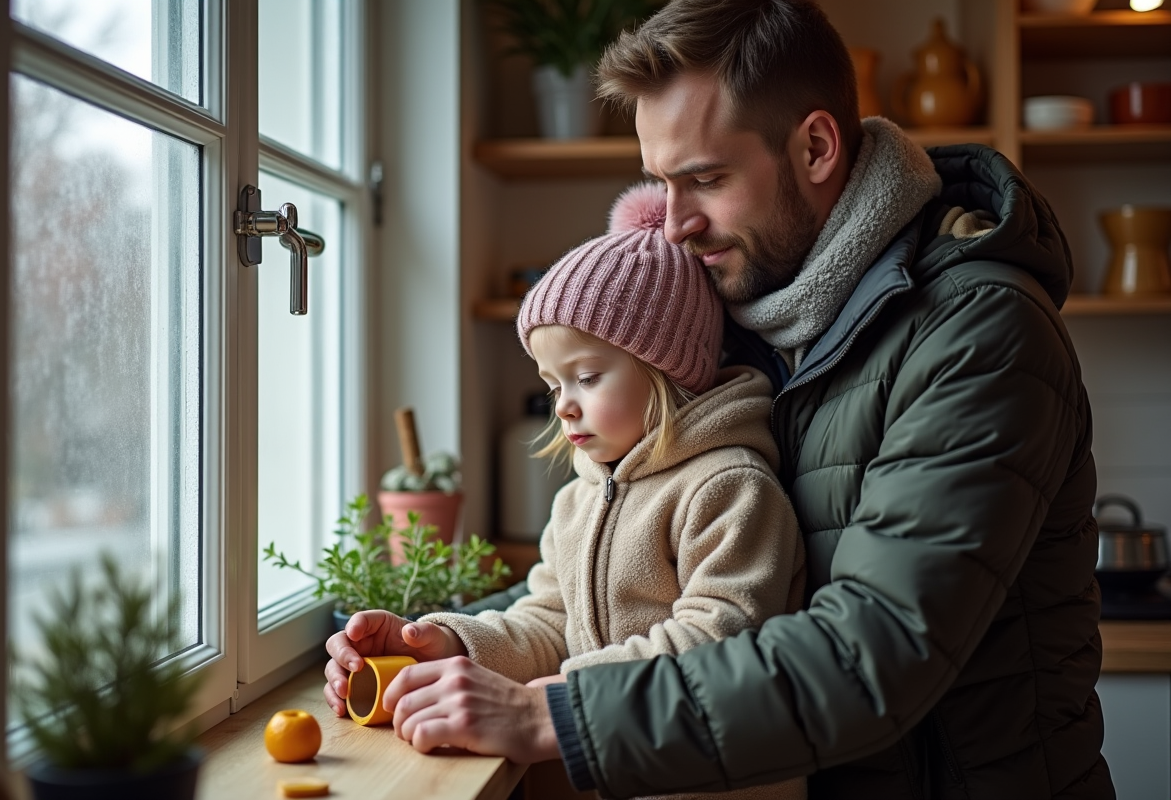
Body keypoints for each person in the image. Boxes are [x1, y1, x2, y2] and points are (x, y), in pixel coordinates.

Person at [325, 1, 1113, 796]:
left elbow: (876, 651)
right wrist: (451, 645)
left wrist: (551, 716)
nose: (673, 226)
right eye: (661, 184)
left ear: (814, 146)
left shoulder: (981, 333)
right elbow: (593, 593)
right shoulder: (745, 312)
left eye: (705, 178)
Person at [325, 183, 807, 800]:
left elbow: (715, 649)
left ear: (669, 369)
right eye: (553, 384)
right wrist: (442, 643)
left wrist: (543, 702)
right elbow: (549, 628)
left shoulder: (730, 489)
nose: (564, 406)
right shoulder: (579, 501)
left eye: (585, 376)